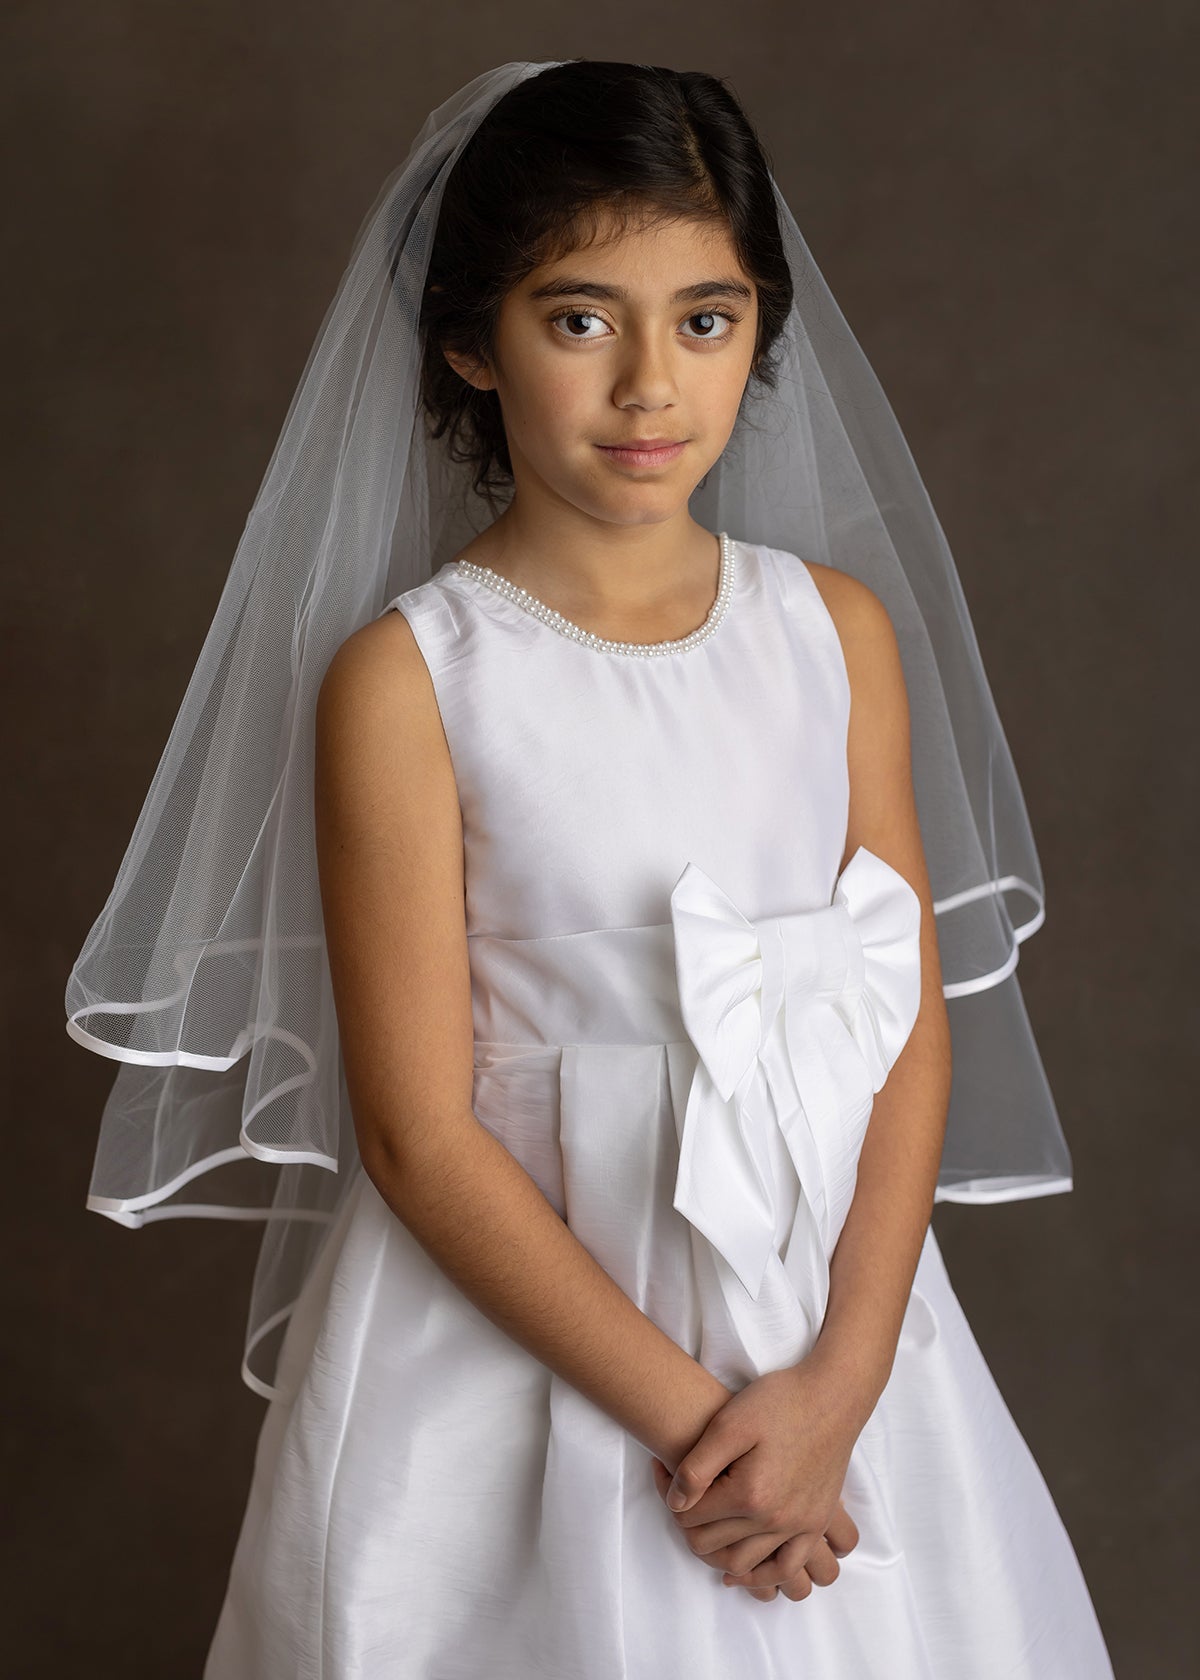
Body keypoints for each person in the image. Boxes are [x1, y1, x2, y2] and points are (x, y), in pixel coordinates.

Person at [65, 58, 1115, 1675]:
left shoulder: (833, 636)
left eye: (705, 318)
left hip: (829, 1341)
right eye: (580, 320)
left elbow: (898, 1019)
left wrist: (836, 1390)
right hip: (529, 1348)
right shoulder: (411, 681)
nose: (650, 387)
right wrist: (712, 1433)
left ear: (762, 326)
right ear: (469, 342)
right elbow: (418, 1138)